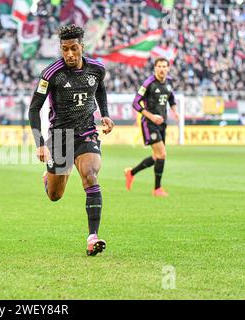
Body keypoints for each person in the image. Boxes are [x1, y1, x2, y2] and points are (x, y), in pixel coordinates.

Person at [28, 25, 114, 256]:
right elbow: (34, 109)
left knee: (90, 175)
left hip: (86, 133)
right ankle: (49, 177)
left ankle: (92, 236)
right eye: (65, 49)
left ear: (82, 47)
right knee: (55, 196)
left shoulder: (96, 69)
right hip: (60, 137)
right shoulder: (51, 74)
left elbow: (100, 90)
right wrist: (40, 143)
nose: (69, 54)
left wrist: (104, 114)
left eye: (74, 48)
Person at [124, 57, 180, 196]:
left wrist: (174, 111)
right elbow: (136, 103)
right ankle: (157, 189)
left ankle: (131, 173)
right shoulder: (148, 83)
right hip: (149, 123)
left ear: (168, 68)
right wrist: (151, 116)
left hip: (162, 123)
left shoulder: (169, 82)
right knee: (162, 154)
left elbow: (171, 97)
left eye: (164, 66)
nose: (161, 69)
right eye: (159, 66)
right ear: (155, 68)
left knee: (157, 157)